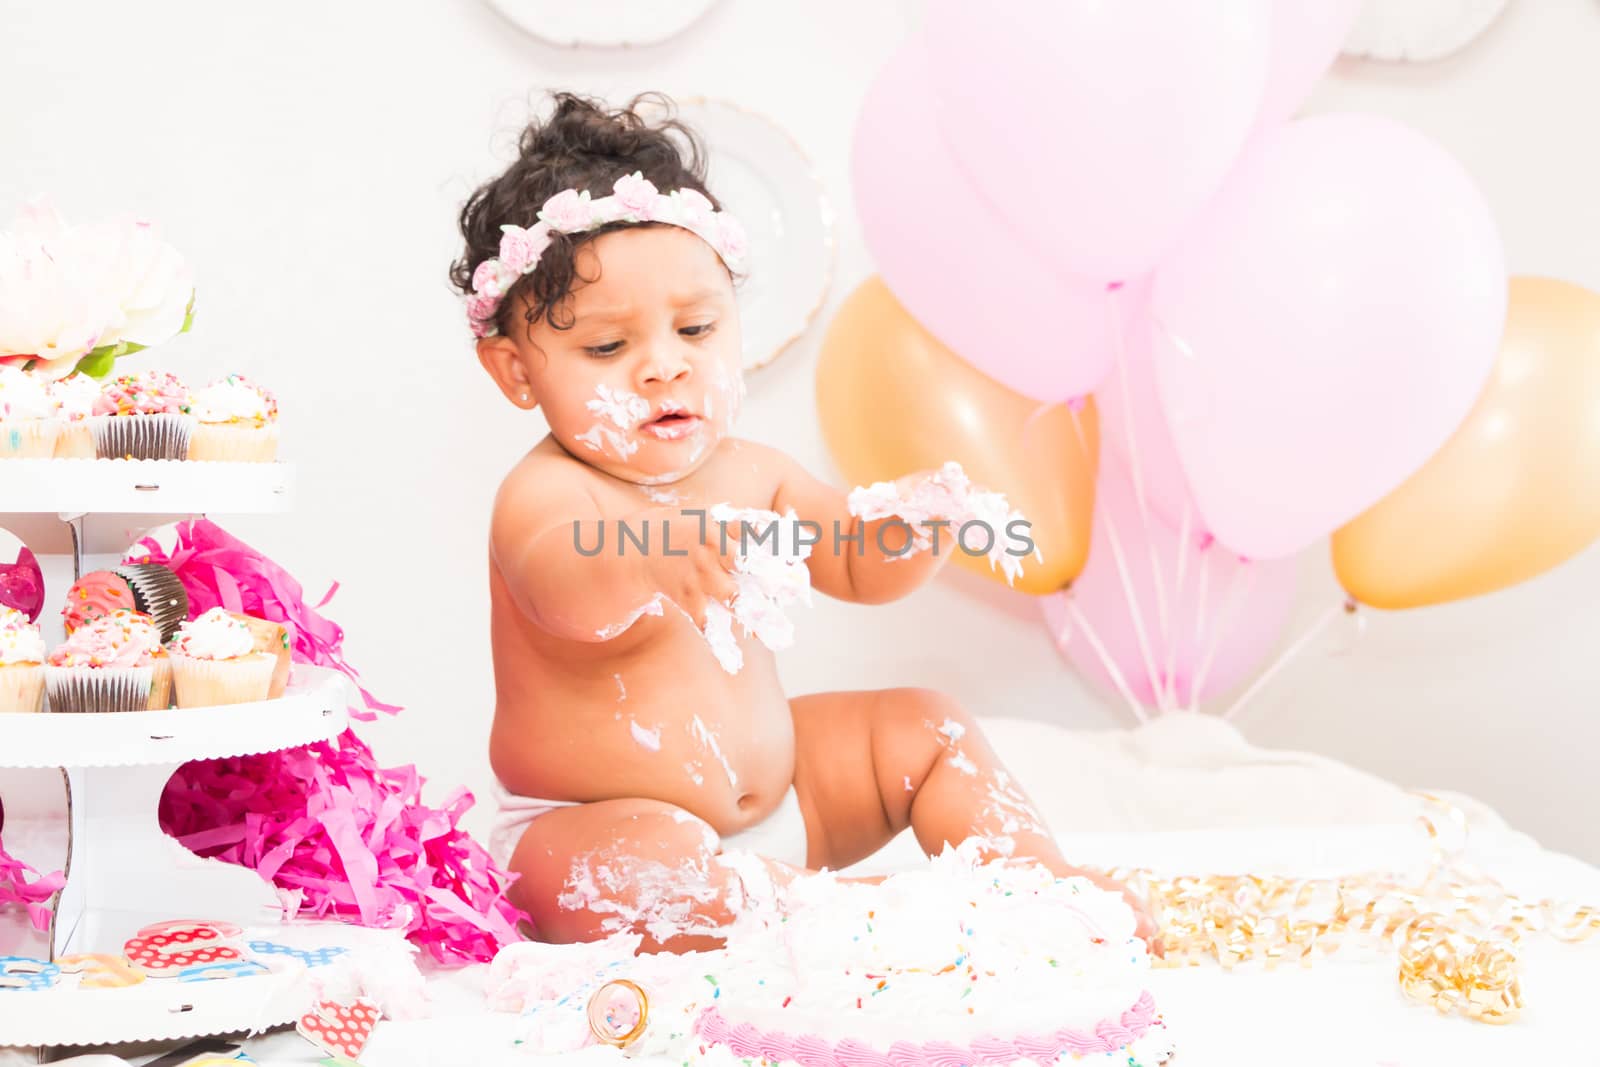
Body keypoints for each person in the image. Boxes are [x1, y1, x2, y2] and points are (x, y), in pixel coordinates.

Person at [452, 92, 1158, 953]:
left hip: (791, 803)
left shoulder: (754, 473)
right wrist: (651, 556)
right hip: (594, 829)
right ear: (516, 370)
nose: (665, 365)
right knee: (652, 866)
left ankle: (1032, 883)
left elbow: (858, 565)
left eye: (697, 328)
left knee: (923, 723)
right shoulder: (551, 495)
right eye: (608, 348)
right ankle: (855, 915)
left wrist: (917, 526)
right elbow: (561, 579)